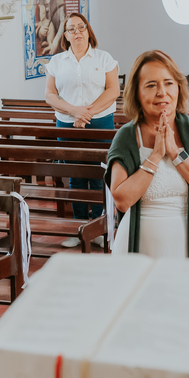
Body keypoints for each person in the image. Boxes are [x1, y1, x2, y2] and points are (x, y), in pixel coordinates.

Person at [105, 50, 189, 262]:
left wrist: (176, 153)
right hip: (139, 248)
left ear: (178, 87)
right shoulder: (127, 136)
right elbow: (121, 201)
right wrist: (156, 154)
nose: (162, 92)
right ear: (137, 93)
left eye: (168, 83)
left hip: (187, 246)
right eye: (151, 85)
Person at [45, 12, 120, 232]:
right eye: (71, 29)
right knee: (75, 175)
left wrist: (86, 113)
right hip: (67, 125)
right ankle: (80, 226)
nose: (77, 32)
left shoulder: (104, 58)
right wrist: (73, 111)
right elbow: (50, 94)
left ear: (88, 31)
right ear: (66, 36)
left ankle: (98, 226)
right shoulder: (57, 61)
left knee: (99, 174)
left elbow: (113, 90)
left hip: (100, 123)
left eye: (81, 27)